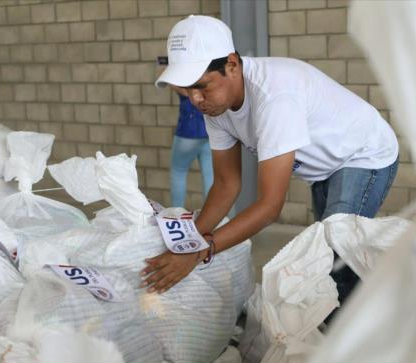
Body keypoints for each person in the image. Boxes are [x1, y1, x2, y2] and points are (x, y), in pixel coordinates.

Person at [142, 15, 399, 304]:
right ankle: (350, 327)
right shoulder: (215, 107)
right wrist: (186, 242)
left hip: (364, 153)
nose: (195, 99)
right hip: (325, 168)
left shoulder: (274, 96)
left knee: (335, 255)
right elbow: (226, 184)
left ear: (232, 65)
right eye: (186, 90)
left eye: (201, 86)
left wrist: (201, 252)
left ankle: (368, 331)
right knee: (328, 257)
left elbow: (269, 207)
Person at [170, 93, 213, 208]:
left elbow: (180, 87)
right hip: (208, 131)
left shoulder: (184, 82)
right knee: (209, 175)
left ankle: (177, 214)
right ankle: (213, 217)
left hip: (186, 132)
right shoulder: (205, 79)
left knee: (178, 172)